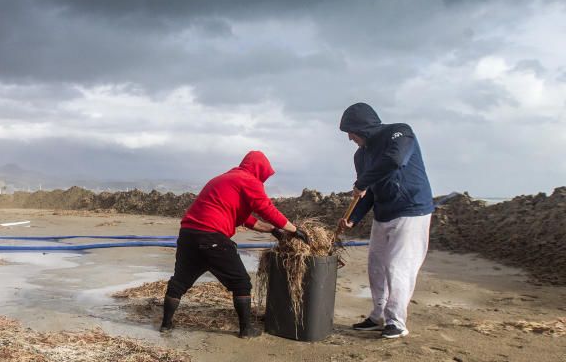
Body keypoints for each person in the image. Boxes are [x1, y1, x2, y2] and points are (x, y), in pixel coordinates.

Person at [162, 150, 309, 337]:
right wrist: (294, 230)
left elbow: (247, 219)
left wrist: (273, 230)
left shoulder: (226, 179)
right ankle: (246, 330)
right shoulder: (248, 180)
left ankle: (166, 325)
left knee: (180, 281)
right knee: (241, 283)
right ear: (259, 169)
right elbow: (266, 209)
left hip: (188, 235)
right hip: (212, 237)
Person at [337, 103, 434, 339]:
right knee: (376, 265)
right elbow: (367, 191)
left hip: (412, 210)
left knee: (399, 266)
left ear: (364, 127)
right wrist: (354, 217)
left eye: (351, 131)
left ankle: (396, 322)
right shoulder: (361, 155)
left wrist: (362, 183)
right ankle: (378, 315)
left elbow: (395, 160)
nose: (350, 138)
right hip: (383, 213)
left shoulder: (399, 133)